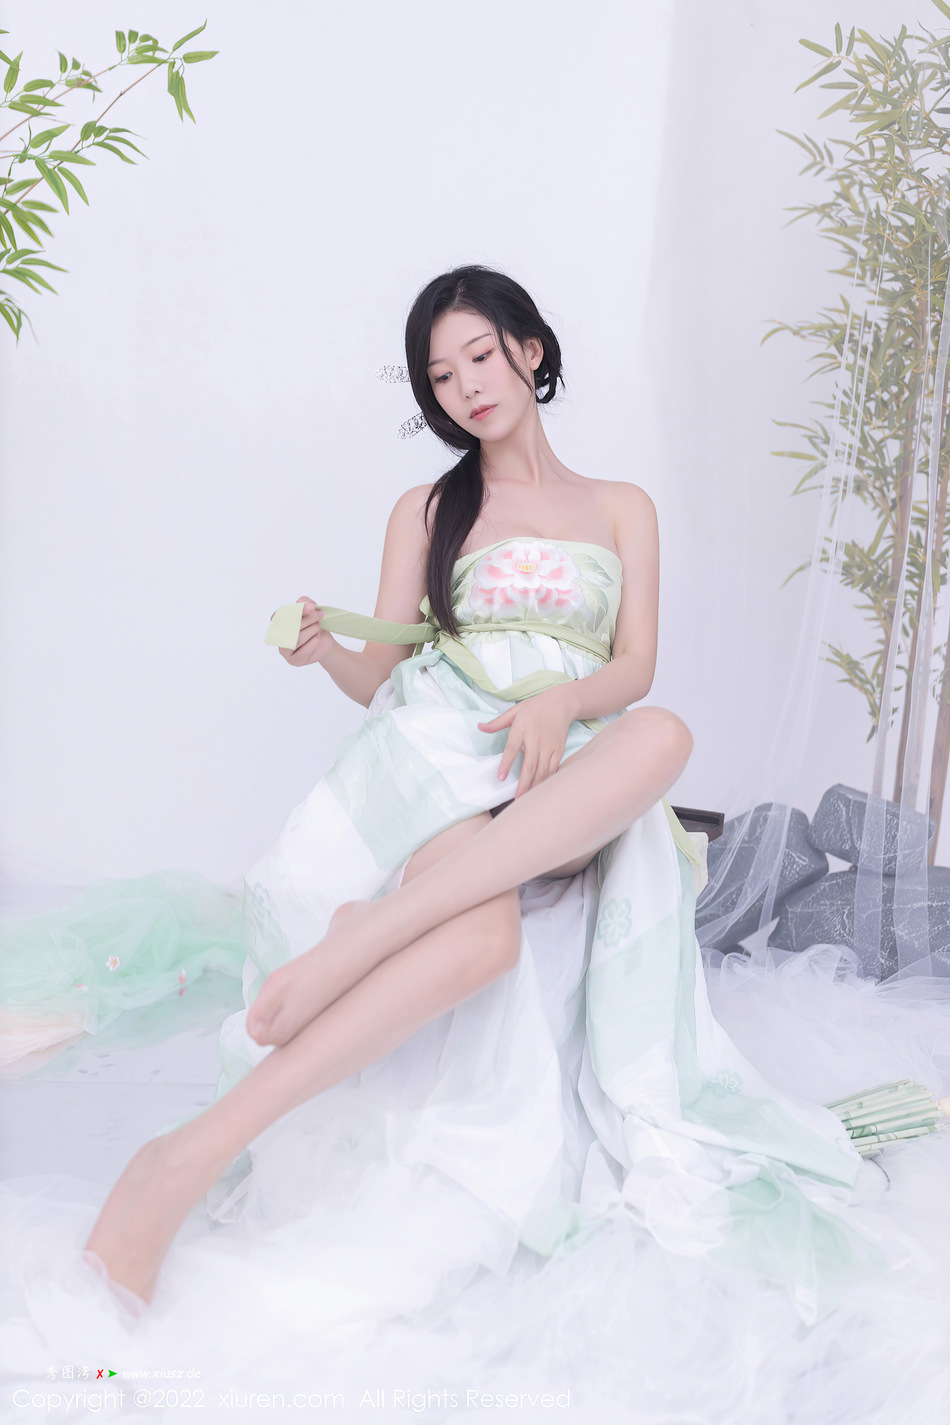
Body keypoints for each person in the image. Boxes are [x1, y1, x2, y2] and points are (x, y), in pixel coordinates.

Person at [3, 268, 905, 1349]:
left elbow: (635, 667)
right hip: (444, 744)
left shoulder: (621, 506)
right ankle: (179, 1160)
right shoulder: (430, 510)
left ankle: (368, 933)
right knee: (481, 942)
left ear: (530, 349)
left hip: (564, 752)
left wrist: (561, 701)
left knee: (662, 733)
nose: (467, 386)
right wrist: (327, 650)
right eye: (441, 375)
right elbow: (387, 679)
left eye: (480, 355)